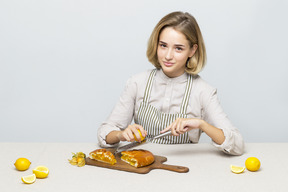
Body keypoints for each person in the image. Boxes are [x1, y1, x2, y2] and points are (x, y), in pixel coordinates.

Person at [97, 11, 244, 155]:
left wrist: (202, 124)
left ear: (192, 50)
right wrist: (121, 135)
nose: (168, 56)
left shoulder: (203, 91)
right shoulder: (137, 83)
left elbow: (237, 144)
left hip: (185, 169)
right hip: (143, 166)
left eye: (178, 48)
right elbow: (105, 132)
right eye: (163, 45)